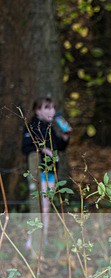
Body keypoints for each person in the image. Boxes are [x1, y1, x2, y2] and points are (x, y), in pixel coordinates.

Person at [21, 97, 71, 249]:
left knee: (46, 206)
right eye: (47, 108)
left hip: (50, 172)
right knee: (41, 205)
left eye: (52, 107)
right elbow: (26, 147)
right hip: (39, 172)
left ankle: (43, 238)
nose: (52, 111)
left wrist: (65, 137)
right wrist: (43, 150)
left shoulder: (50, 127)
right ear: (38, 110)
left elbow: (60, 147)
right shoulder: (32, 126)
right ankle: (32, 240)